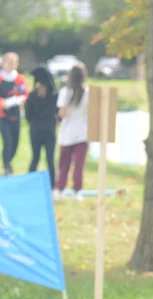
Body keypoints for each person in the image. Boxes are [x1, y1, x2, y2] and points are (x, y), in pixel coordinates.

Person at [0, 53, 28, 175]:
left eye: (14, 63)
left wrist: (19, 100)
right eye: (9, 62)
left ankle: (9, 161)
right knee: (7, 141)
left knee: (15, 142)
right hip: (3, 116)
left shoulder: (20, 79)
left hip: (16, 115)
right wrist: (2, 102)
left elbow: (25, 94)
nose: (11, 65)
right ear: (3, 63)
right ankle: (6, 166)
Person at [55, 62, 89, 198]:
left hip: (67, 132)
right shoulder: (87, 92)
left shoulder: (65, 92)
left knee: (64, 163)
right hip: (83, 132)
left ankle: (60, 189)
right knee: (79, 164)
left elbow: (62, 113)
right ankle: (77, 191)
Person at [25, 66, 58, 189]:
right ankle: (51, 185)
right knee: (47, 159)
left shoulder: (32, 96)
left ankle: (30, 184)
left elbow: (28, 115)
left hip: (38, 130)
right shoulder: (54, 96)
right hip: (47, 130)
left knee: (38, 158)